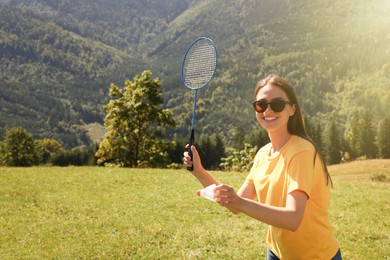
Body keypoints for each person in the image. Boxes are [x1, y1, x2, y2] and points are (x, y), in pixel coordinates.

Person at [183, 74, 342, 260]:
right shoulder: (262, 154)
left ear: (292, 109)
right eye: (261, 105)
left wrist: (240, 202)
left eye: (277, 104)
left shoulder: (301, 152)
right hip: (276, 252)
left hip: (315, 256)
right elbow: (236, 204)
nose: (268, 110)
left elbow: (293, 218)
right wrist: (199, 172)